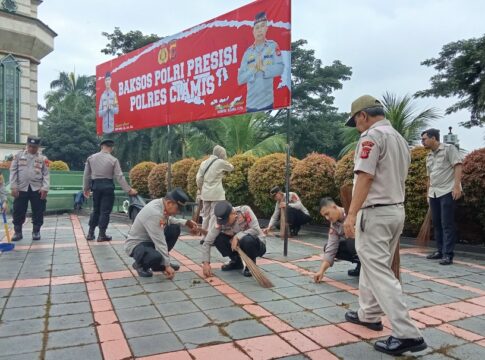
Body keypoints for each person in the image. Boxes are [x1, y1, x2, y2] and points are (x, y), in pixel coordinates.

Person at [342, 95, 427, 356]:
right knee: (372, 264)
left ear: (363, 116)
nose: (356, 125)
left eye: (355, 120)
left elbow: (366, 176)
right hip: (394, 210)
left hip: (375, 212)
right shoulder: (400, 139)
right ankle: (369, 313)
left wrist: (351, 214)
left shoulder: (370, 137)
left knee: (378, 270)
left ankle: (407, 333)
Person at [125, 188, 198, 278]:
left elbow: (167, 219)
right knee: (155, 256)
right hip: (137, 244)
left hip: (149, 241)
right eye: (178, 208)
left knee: (174, 228)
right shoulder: (154, 212)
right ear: (169, 203)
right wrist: (167, 265)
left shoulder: (161, 203)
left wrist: (186, 222)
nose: (178, 211)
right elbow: (160, 241)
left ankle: (159, 265)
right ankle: (140, 265)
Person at [421, 128, 463, 265]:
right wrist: (428, 193)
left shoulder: (448, 149)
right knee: (437, 223)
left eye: (424, 139)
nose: (422, 142)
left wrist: (456, 187)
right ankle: (440, 251)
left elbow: (458, 166)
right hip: (434, 193)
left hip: (447, 191)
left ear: (433, 138)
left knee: (447, 223)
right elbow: (429, 177)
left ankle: (448, 254)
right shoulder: (429, 156)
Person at [83, 139, 137, 241]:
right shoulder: (113, 160)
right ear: (111, 148)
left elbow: (86, 175)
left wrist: (86, 188)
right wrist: (128, 190)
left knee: (96, 210)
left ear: (101, 146)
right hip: (107, 186)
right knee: (105, 211)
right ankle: (101, 234)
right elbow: (119, 176)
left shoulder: (91, 158)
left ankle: (90, 233)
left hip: (96, 186)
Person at [201, 201, 266, 278]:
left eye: (226, 220)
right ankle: (237, 262)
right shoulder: (220, 219)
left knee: (247, 240)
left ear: (233, 213)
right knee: (218, 238)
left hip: (257, 245)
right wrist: (206, 263)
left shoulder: (245, 211)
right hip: (238, 247)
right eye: (222, 221)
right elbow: (208, 241)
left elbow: (256, 229)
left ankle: (250, 265)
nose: (224, 223)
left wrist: (237, 236)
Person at [237, 11, 284, 112]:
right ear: (253, 31)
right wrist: (253, 70)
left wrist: (264, 68)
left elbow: (280, 68)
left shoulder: (273, 46)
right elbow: (240, 79)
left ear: (266, 28)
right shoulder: (247, 53)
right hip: (251, 105)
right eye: (257, 27)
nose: (259, 30)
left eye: (262, 26)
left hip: (268, 103)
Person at [9, 136, 50, 241]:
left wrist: (45, 188)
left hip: (37, 189)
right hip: (21, 188)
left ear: (38, 147)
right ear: (27, 145)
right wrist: (13, 187)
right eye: (30, 146)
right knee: (18, 210)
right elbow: (13, 172)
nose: (32, 148)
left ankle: (36, 231)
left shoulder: (43, 158)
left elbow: (46, 174)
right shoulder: (18, 156)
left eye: (35, 147)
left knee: (38, 211)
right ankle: (18, 232)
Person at [313, 197, 360, 283]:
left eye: (327, 214)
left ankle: (367, 267)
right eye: (325, 216)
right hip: (354, 247)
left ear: (334, 207)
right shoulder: (334, 225)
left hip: (367, 243)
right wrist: (321, 271)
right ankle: (360, 265)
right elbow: (331, 248)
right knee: (328, 247)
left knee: (350, 240)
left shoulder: (351, 212)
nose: (327, 218)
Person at [196, 145, 234, 235]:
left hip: (205, 193)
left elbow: (198, 178)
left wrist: (201, 188)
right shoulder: (220, 162)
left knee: (205, 215)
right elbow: (231, 167)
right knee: (214, 215)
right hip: (216, 193)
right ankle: (210, 236)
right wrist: (224, 160)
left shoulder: (204, 163)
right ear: (221, 153)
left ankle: (203, 237)